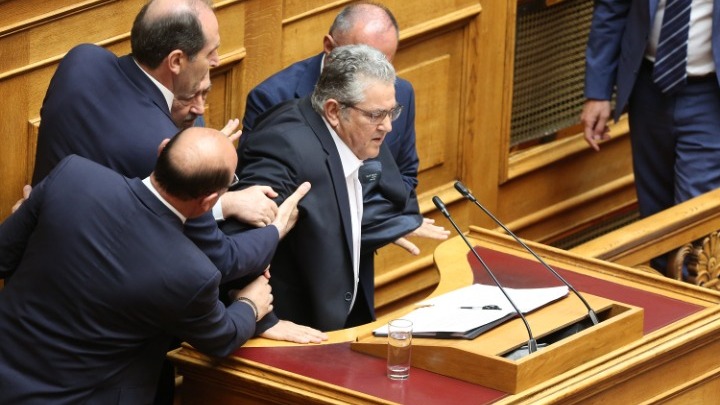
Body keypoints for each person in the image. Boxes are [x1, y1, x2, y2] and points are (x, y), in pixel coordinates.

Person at [29, 0, 324, 343]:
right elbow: (219, 257)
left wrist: (221, 198)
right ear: (176, 61)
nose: (217, 60)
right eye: (211, 51)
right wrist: (276, 229)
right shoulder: (158, 144)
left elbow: (122, 169)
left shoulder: (81, 60)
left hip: (34, 282)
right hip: (102, 327)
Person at [0, 127, 286, 404]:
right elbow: (221, 337)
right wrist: (251, 304)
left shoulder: (72, 175)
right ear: (208, 201)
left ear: (162, 150)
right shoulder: (191, 274)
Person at [233, 44, 440, 331]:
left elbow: (392, 195)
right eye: (376, 115)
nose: (388, 126)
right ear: (333, 110)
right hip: (296, 332)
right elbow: (239, 240)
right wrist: (262, 321)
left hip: (342, 318)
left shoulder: (358, 130)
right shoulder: (284, 147)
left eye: (392, 112)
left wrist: (391, 225)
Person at [581, 1, 720, 272]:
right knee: (655, 222)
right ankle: (660, 291)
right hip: (648, 87)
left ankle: (690, 296)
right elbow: (612, 8)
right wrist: (598, 91)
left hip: (709, 97)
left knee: (695, 230)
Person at [243, 1, 418, 192]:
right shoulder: (272, 98)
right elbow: (261, 190)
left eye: (383, 63)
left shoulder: (401, 93)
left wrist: (383, 212)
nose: (373, 73)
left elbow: (405, 176)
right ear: (329, 46)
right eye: (361, 60)